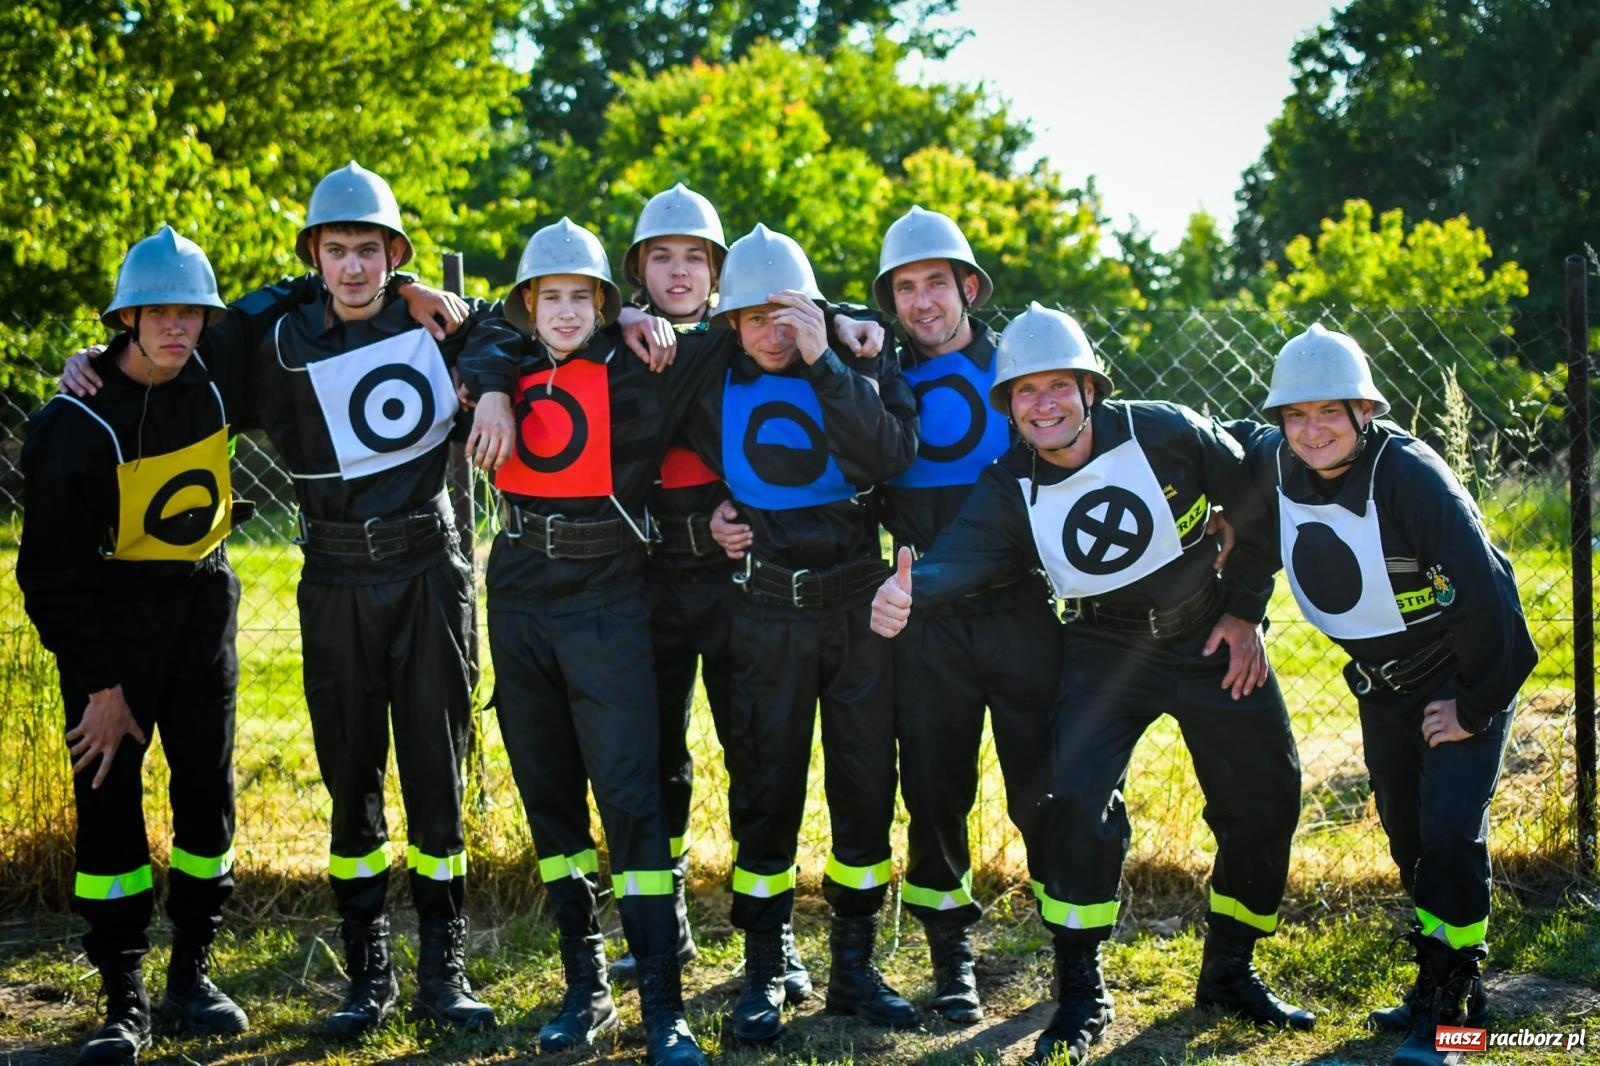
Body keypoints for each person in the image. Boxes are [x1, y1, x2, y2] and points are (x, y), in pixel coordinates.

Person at [870, 304, 1314, 1065]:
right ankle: (1081, 990)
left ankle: (1230, 970)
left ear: (1089, 389)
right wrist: (910, 590)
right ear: (1007, 408)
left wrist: (1245, 611)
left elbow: (1253, 491)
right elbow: (961, 555)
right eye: (1024, 393)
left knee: (1268, 790)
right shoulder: (1009, 484)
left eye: (1058, 388)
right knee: (1069, 796)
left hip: (1212, 634)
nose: (1044, 405)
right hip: (1106, 645)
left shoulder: (1165, 430)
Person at [17, 227, 297, 1064]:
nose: (178, 328)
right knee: (108, 810)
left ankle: (191, 976)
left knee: (206, 797)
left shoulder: (215, 362)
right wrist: (101, 687)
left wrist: (418, 289)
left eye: (191, 312)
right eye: (159, 313)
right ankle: (121, 997)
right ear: (125, 319)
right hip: (111, 628)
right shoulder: (70, 423)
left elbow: (299, 285)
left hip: (202, 608)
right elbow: (49, 578)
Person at [456, 216, 730, 1066]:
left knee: (630, 795)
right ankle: (586, 987)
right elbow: (466, 331)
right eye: (551, 299)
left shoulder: (649, 363)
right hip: (521, 591)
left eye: (584, 299)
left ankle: (664, 1006)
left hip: (611, 596)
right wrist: (496, 383)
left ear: (608, 304)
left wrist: (835, 317)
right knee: (548, 794)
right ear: (527, 305)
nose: (566, 313)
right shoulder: (503, 360)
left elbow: (751, 320)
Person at [1228, 325, 1536, 1066]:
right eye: (1295, 416)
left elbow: (1498, 612)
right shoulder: (1276, 464)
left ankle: (1454, 1011)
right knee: (1408, 834)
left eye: (1328, 412)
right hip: (1383, 688)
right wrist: (1242, 612)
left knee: (1452, 831)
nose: (1311, 430)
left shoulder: (1412, 479)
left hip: (1460, 676)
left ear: (1364, 412)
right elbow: (1254, 536)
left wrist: (1471, 707)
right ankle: (1444, 977)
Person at [671, 224, 921, 1043]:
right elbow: (651, 422)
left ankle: (853, 964)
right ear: (731, 325)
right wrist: (704, 516)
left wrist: (830, 354)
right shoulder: (713, 380)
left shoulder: (857, 362)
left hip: (855, 613)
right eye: (755, 319)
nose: (773, 333)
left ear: (812, 312)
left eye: (789, 316)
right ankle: (766, 963)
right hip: (766, 613)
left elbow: (886, 452)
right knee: (764, 790)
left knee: (862, 790)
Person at [871, 206, 1059, 1022]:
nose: (922, 302)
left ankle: (1071, 951)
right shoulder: (879, 379)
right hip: (923, 622)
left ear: (969, 288)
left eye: (936, 284)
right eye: (904, 288)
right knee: (936, 792)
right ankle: (952, 956)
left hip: (1019, 608)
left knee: (1045, 788)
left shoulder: (1026, 374)